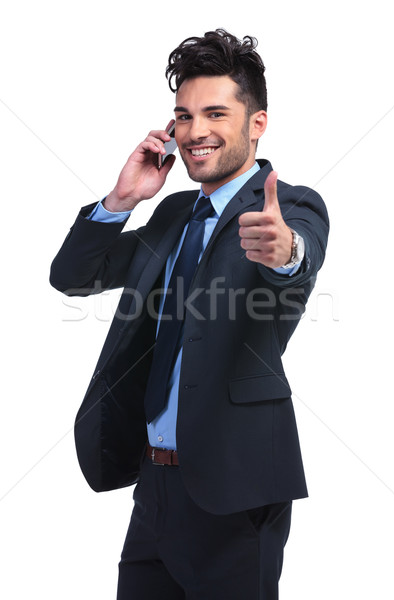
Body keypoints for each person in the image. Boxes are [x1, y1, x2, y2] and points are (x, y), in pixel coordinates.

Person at [50, 29, 329, 600]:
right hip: (154, 485)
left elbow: (299, 257)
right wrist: (120, 202)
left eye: (216, 113)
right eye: (183, 114)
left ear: (257, 123)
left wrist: (286, 252)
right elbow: (73, 277)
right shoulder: (175, 212)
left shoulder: (291, 205)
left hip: (235, 488)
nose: (195, 130)